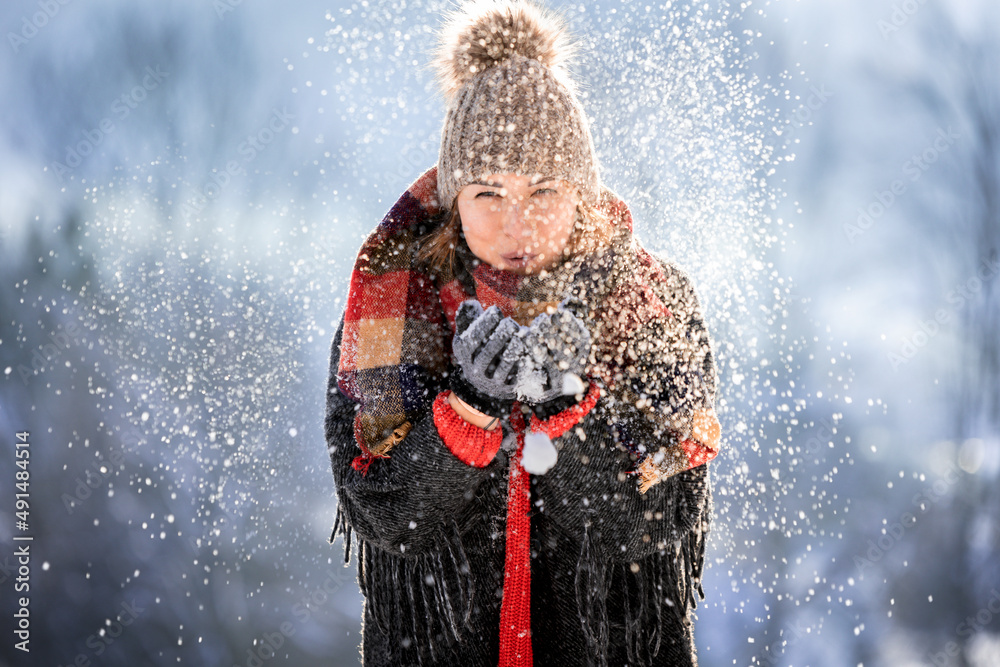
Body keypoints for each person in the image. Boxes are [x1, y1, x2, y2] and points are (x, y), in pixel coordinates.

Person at [324, 1, 721, 664]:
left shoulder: (655, 305)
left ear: (581, 194)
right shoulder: (390, 310)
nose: (516, 224)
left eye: (543, 192)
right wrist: (466, 414)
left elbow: (653, 520)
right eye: (487, 194)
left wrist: (568, 412)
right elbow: (386, 516)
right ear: (454, 198)